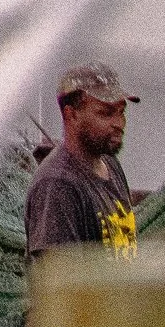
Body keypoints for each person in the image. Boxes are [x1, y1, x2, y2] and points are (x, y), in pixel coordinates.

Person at [25, 63, 139, 262]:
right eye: (105, 112)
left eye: (121, 111)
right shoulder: (58, 185)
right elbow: (60, 284)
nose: (119, 123)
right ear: (72, 115)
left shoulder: (110, 164)